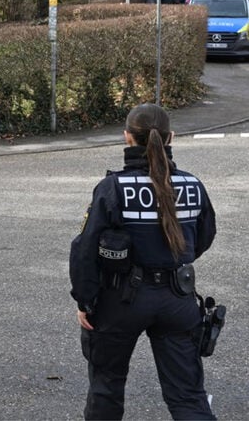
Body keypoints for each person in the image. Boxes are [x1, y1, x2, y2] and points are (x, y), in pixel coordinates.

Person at [69, 103, 216, 420]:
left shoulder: (112, 188)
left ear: (127, 137)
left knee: (106, 389)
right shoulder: (193, 185)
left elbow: (84, 250)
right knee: (188, 397)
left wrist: (85, 301)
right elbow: (203, 237)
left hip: (121, 301)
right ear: (170, 137)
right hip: (179, 298)